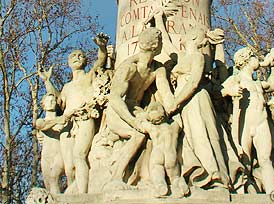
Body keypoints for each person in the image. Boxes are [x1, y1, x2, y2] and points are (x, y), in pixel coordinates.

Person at [101, 15, 176, 186]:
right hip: (118, 111)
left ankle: (158, 176)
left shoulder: (158, 69)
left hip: (136, 109)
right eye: (161, 41)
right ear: (155, 46)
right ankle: (116, 178)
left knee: (161, 129)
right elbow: (115, 99)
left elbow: (167, 96)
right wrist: (134, 122)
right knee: (138, 133)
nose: (163, 44)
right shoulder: (129, 67)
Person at [39, 33, 108, 193]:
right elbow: (58, 101)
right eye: (73, 56)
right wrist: (47, 81)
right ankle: (73, 192)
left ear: (85, 60)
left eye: (80, 55)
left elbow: (100, 61)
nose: (77, 57)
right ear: (69, 63)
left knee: (79, 155)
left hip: (85, 118)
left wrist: (101, 47)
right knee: (69, 166)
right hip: (68, 125)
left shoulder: (89, 76)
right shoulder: (67, 87)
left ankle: (82, 194)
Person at [169, 27, 230, 189]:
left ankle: (214, 175)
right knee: (193, 134)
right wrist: (159, 21)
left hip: (195, 98)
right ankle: (200, 174)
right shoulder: (184, 57)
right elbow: (168, 47)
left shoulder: (198, 57)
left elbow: (194, 82)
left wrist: (175, 102)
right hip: (186, 101)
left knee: (203, 133)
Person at [221, 47, 274, 194]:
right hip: (245, 125)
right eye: (254, 57)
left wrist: (273, 68)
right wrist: (231, 90)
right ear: (247, 60)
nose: (257, 60)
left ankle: (271, 194)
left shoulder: (258, 83)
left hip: (261, 124)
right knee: (245, 160)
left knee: (266, 159)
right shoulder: (237, 78)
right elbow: (221, 90)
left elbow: (272, 85)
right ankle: (243, 192)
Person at [134, 102, 188, 197]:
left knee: (157, 172)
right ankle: (179, 185)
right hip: (171, 155)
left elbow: (140, 124)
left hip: (157, 154)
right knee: (175, 176)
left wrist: (141, 115)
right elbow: (179, 119)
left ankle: (160, 186)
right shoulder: (173, 127)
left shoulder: (152, 128)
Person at [35, 92, 66, 194]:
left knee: (54, 178)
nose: (51, 102)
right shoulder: (41, 120)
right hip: (46, 155)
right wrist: (57, 121)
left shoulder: (64, 120)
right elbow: (42, 126)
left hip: (59, 153)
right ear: (43, 105)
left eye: (53, 100)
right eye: (48, 101)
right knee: (48, 184)